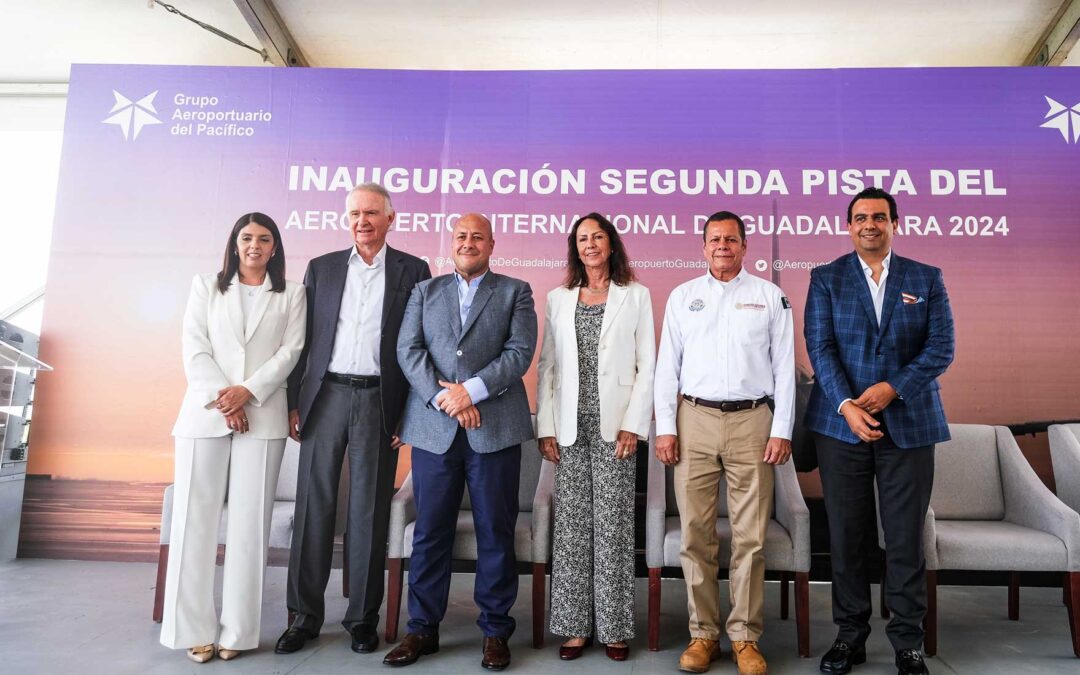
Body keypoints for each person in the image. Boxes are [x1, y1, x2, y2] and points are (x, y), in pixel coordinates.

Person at [275, 183, 431, 656]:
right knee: (314, 506)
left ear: (390, 218)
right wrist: (292, 400)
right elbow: (301, 340)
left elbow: (417, 345)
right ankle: (303, 615)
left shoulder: (414, 271)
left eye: (370, 213)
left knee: (370, 510)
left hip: (381, 401)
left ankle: (362, 618)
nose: (361, 221)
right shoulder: (321, 269)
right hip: (326, 397)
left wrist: (410, 410)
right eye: (354, 214)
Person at [804, 188, 954, 675]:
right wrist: (847, 405)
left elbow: (941, 347)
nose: (870, 224)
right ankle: (850, 638)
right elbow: (820, 347)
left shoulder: (925, 278)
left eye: (880, 217)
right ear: (848, 226)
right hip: (840, 428)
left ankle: (907, 641)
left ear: (895, 223)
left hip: (909, 425)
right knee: (847, 537)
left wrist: (895, 387)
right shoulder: (826, 279)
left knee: (905, 538)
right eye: (860, 217)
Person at [383, 213, 537, 671]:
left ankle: (494, 630)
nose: (468, 243)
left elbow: (519, 352)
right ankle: (421, 629)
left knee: (495, 530)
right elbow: (408, 352)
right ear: (452, 244)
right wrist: (443, 397)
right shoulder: (424, 291)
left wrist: (468, 392)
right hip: (434, 429)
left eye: (477, 237)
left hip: (495, 431)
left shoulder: (515, 291)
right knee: (430, 532)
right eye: (461, 236)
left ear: (492, 243)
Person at [654, 211, 795, 675]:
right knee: (695, 535)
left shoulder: (769, 296)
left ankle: (745, 638)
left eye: (730, 239)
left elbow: (784, 370)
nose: (722, 246)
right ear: (703, 245)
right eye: (714, 239)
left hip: (753, 421)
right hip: (693, 418)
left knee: (750, 538)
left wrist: (781, 430)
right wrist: (666, 426)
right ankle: (703, 634)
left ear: (744, 245)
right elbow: (666, 367)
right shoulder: (683, 296)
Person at [162, 212, 306, 663]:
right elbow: (194, 347)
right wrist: (227, 400)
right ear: (234, 243)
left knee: (250, 527)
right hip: (205, 417)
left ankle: (239, 633)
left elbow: (292, 351)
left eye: (264, 239)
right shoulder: (205, 286)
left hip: (263, 419)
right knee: (194, 522)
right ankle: (193, 630)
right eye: (246, 238)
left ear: (275, 247)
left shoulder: (293, 293)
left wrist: (249, 392)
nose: (254, 246)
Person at [535, 212, 655, 662]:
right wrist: (545, 427)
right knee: (572, 530)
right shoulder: (558, 298)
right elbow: (547, 367)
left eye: (597, 237)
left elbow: (648, 365)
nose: (590, 245)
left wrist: (633, 424)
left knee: (613, 529)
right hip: (568, 429)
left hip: (616, 430)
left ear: (611, 244)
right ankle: (572, 627)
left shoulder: (636, 296)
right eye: (582, 239)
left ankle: (615, 628)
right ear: (575, 247)